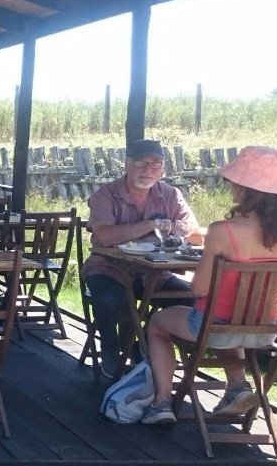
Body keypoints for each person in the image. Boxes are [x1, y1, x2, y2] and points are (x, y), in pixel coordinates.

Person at [141, 147, 277, 425]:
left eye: (233, 181)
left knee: (158, 323)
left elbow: (199, 290)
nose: (230, 185)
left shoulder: (223, 230)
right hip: (265, 330)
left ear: (246, 189)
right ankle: (237, 388)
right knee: (227, 324)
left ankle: (161, 403)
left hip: (215, 327)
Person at [84, 139, 201, 379]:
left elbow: (194, 232)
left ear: (163, 169)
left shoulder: (170, 194)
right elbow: (105, 236)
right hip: (109, 268)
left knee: (191, 299)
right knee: (108, 298)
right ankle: (110, 350)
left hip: (155, 273)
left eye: (155, 164)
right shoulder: (105, 195)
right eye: (141, 163)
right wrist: (152, 225)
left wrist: (144, 232)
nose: (148, 170)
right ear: (127, 164)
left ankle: (141, 344)